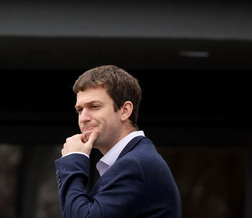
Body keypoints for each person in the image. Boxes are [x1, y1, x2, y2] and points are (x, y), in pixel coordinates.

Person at [55, 65, 181, 218]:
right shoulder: (135, 159)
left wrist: (72, 161)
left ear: (125, 110)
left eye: (94, 106)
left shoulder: (134, 164)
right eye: (79, 110)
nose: (83, 118)